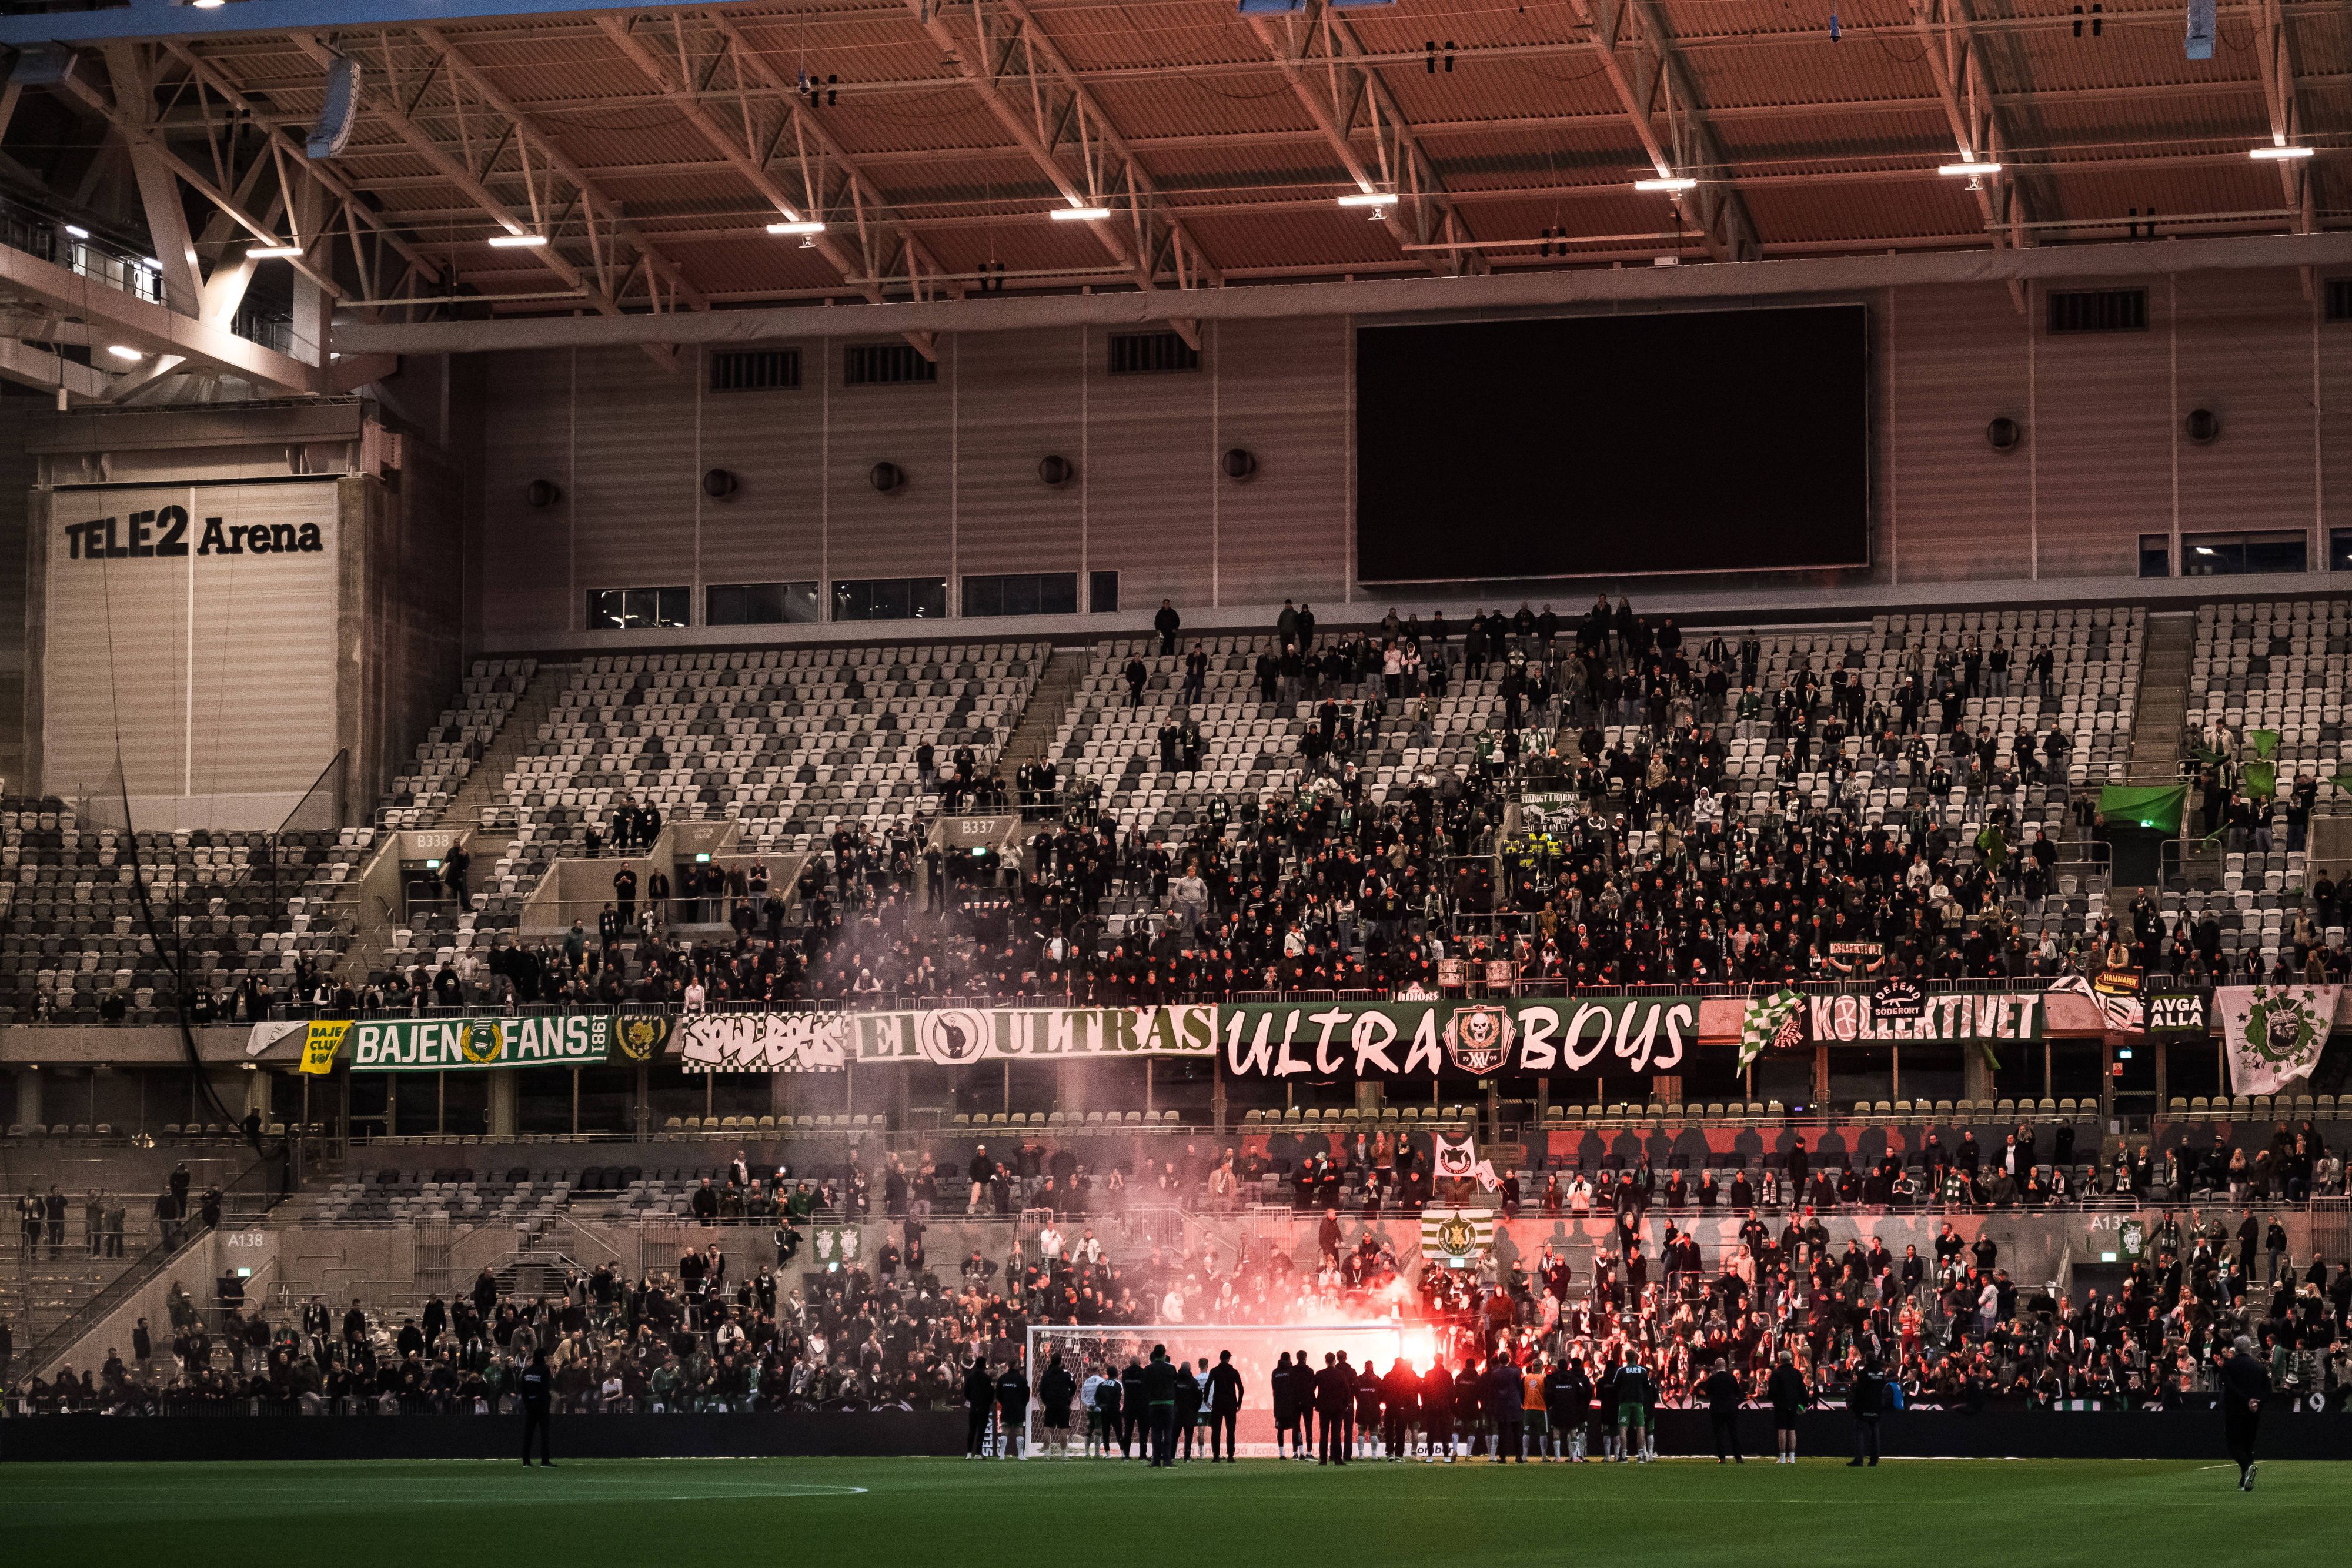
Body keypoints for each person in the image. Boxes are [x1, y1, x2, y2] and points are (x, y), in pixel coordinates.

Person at [2221, 1334, 2269, 1490]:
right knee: (2248, 1445)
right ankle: (2245, 1480)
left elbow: (2229, 1387)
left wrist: (2246, 1400)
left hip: (2235, 1411)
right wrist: (2256, 1402)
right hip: (2253, 1413)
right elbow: (2268, 1391)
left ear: (2236, 1348)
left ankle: (2247, 1467)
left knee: (2233, 1444)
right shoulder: (2259, 1367)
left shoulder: (2229, 1366)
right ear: (2249, 1348)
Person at [1141, 1343, 1180, 1467]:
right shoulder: (1171, 1368)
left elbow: (1144, 1387)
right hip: (1168, 1404)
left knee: (1156, 1432)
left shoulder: (1148, 1369)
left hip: (1154, 1404)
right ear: (1164, 1354)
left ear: (1154, 1354)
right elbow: (1176, 1386)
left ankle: (1156, 1461)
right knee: (1168, 1432)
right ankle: (1167, 1460)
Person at [1767, 1350, 1808, 1465]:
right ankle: (1792, 1457)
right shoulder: (1797, 1373)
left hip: (1780, 1405)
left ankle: (1782, 1457)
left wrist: (1772, 1398)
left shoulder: (1776, 1374)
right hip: (1793, 1405)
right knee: (1792, 1429)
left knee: (1782, 1430)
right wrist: (1805, 1404)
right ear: (1790, 1360)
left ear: (1781, 1360)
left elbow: (1772, 1392)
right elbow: (1803, 1390)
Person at [1700, 1357, 1745, 1463]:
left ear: (1716, 1366)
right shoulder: (1732, 1378)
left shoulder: (1713, 1379)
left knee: (1719, 1434)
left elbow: (1708, 1392)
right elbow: (1739, 1393)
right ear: (1725, 1366)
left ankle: (1722, 1458)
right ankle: (1738, 1458)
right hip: (1731, 1409)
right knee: (1734, 1433)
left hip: (1717, 1409)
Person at [1205, 1349, 1245, 1463]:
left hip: (1217, 1403)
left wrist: (1206, 1400)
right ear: (1228, 1359)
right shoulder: (1234, 1372)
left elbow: (1208, 1385)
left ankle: (1216, 1456)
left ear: (1220, 1358)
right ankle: (1230, 1456)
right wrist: (1239, 1403)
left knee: (1216, 1430)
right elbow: (1241, 1389)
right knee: (1231, 1430)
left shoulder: (1214, 1371)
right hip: (1231, 1404)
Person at [518, 1346, 554, 1466]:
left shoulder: (527, 1371)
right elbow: (546, 1388)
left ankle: (526, 1461)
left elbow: (523, 1390)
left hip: (530, 1406)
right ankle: (545, 1461)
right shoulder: (545, 1370)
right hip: (542, 1406)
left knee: (528, 1434)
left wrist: (528, 1404)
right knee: (544, 1434)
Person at [1846, 1360, 1884, 1467]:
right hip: (1876, 1408)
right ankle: (1874, 1460)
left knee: (1860, 1433)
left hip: (1864, 1409)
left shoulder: (1864, 1373)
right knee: (1875, 1434)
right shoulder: (1881, 1373)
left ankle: (1859, 1459)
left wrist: (1855, 1407)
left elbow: (1859, 1393)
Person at [1038, 1352, 1076, 1459]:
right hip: (1063, 1404)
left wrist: (1046, 1401)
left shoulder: (1046, 1374)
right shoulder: (1066, 1374)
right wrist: (1068, 1397)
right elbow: (1074, 1387)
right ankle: (1064, 1454)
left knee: (1047, 1429)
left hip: (1050, 1404)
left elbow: (1041, 1390)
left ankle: (1047, 1454)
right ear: (1061, 1362)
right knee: (1064, 1429)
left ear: (1051, 1361)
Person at [994, 1359, 1031, 1459]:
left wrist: (1004, 1403)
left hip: (1006, 1408)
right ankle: (1021, 1455)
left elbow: (998, 1394)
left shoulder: (1002, 1379)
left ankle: (1002, 1455)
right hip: (1018, 1408)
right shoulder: (1022, 1379)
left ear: (1008, 1366)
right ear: (1017, 1365)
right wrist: (1022, 1405)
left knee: (1005, 1431)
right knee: (1019, 1431)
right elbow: (1027, 1394)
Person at [963, 1356, 996, 1459]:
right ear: (984, 1365)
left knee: (972, 1430)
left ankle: (969, 1453)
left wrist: (973, 1400)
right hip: (984, 1407)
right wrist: (988, 1403)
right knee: (981, 1430)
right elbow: (991, 1393)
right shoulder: (987, 1378)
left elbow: (966, 1392)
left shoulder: (970, 1377)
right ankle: (978, 1453)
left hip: (974, 1407)